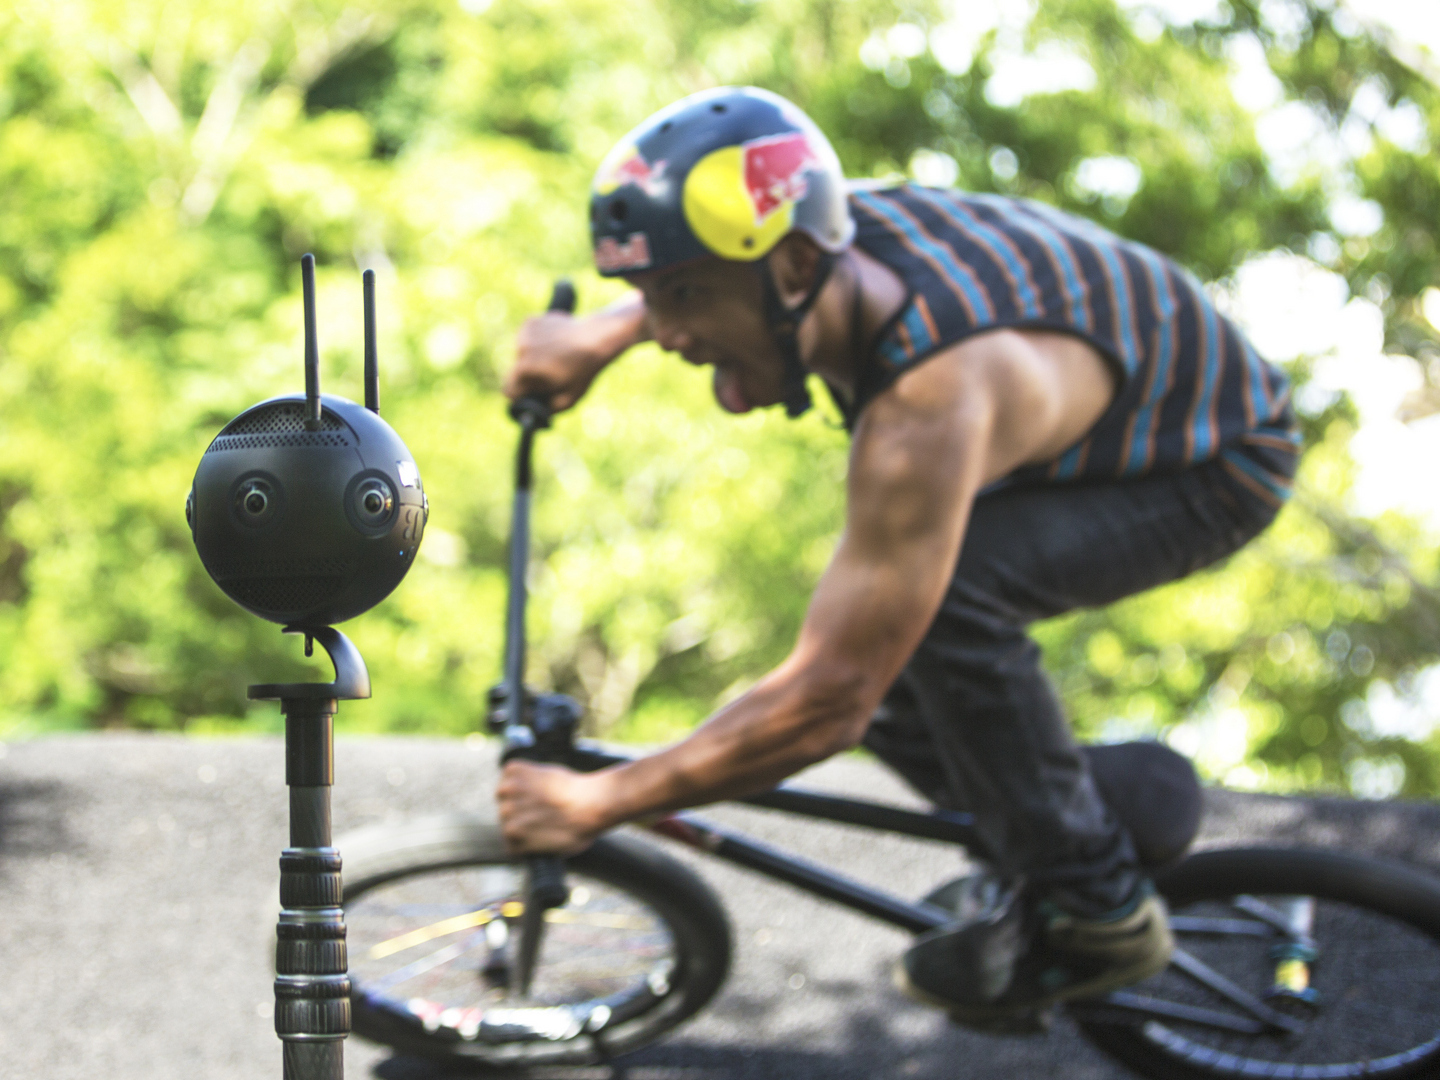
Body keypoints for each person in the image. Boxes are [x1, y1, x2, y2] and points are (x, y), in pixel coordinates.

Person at [496, 86, 1299, 1024]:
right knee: (890, 635)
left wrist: (601, 802)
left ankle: (1097, 910)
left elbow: (827, 702)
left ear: (800, 265)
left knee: (925, 614)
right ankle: (1069, 817)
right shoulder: (817, 227)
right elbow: (732, 264)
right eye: (650, 297)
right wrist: (603, 333)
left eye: (682, 299)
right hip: (1105, 381)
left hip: (1215, 456)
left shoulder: (928, 400)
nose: (667, 334)